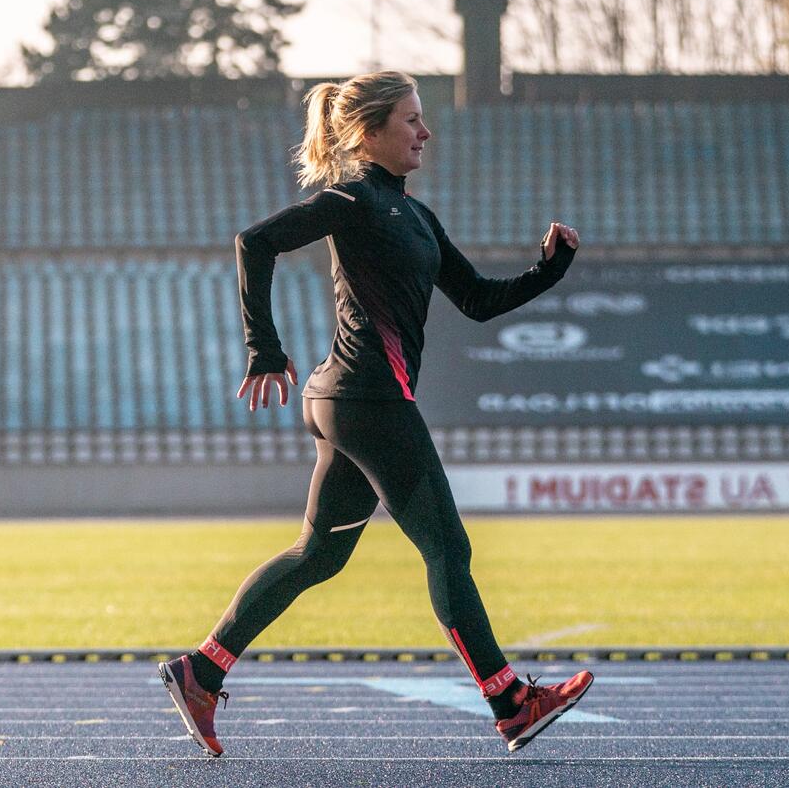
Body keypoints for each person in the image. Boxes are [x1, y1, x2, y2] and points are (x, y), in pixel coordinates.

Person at [160, 70, 593, 757]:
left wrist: (549, 270)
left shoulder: (418, 217)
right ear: (369, 132)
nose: (426, 131)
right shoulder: (353, 200)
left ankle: (202, 669)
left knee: (319, 554)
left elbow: (477, 299)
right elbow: (255, 242)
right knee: (448, 547)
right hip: (368, 397)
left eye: (422, 119)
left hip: (352, 400)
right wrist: (264, 347)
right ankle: (511, 702)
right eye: (412, 120)